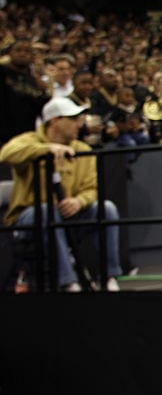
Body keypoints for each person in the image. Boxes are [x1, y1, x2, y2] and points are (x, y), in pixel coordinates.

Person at [0, 97, 122, 292]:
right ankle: (68, 282)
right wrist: (46, 149)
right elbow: (7, 153)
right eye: (72, 119)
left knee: (106, 209)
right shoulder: (30, 140)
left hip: (69, 213)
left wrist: (79, 201)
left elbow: (92, 188)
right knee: (47, 211)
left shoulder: (83, 150)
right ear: (54, 121)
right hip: (30, 216)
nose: (79, 123)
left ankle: (108, 277)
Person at [0, 38, 49, 148]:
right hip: (3, 137)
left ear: (32, 56)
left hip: (25, 138)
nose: (22, 54)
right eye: (18, 50)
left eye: (27, 51)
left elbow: (41, 109)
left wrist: (44, 90)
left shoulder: (35, 81)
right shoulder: (2, 72)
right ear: (9, 54)